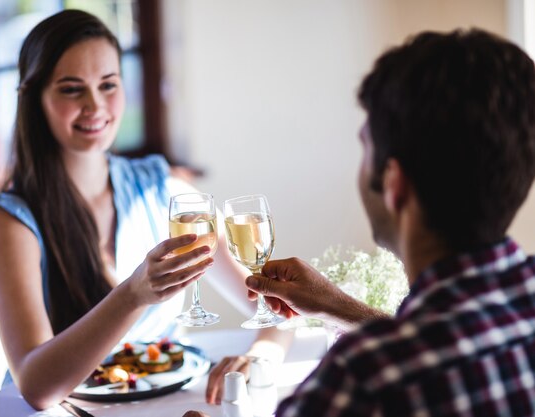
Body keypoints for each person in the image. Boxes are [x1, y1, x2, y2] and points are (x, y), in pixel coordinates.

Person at [186, 28, 535, 416]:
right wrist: (339, 307)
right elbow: (454, 337)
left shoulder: (363, 379)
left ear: (393, 183)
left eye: (365, 145)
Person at [0, 9, 291, 410]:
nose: (94, 105)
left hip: (161, 404)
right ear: (35, 98)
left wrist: (260, 358)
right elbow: (38, 388)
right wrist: (133, 294)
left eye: (108, 84)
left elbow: (272, 309)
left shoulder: (161, 188)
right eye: (71, 89)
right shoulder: (9, 219)